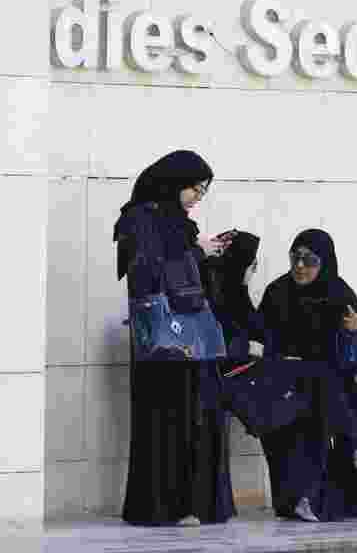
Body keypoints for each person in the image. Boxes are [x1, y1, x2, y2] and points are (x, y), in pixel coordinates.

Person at [114, 150, 236, 527]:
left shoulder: (178, 223)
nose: (199, 196)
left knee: (199, 414)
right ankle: (167, 505)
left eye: (204, 190)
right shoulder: (139, 219)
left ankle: (196, 503)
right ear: (173, 182)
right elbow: (147, 273)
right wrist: (196, 253)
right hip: (165, 339)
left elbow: (184, 271)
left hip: (191, 337)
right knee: (169, 415)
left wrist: (208, 254)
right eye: (195, 187)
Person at [258, 229, 357, 522]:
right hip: (290, 379)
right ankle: (316, 491)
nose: (300, 266)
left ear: (324, 262)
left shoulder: (336, 289)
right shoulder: (278, 292)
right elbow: (261, 337)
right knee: (318, 383)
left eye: (309, 260)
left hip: (336, 379)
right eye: (295, 258)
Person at [202, 230, 266, 365]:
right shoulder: (220, 302)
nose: (254, 270)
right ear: (241, 266)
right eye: (253, 265)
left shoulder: (236, 295)